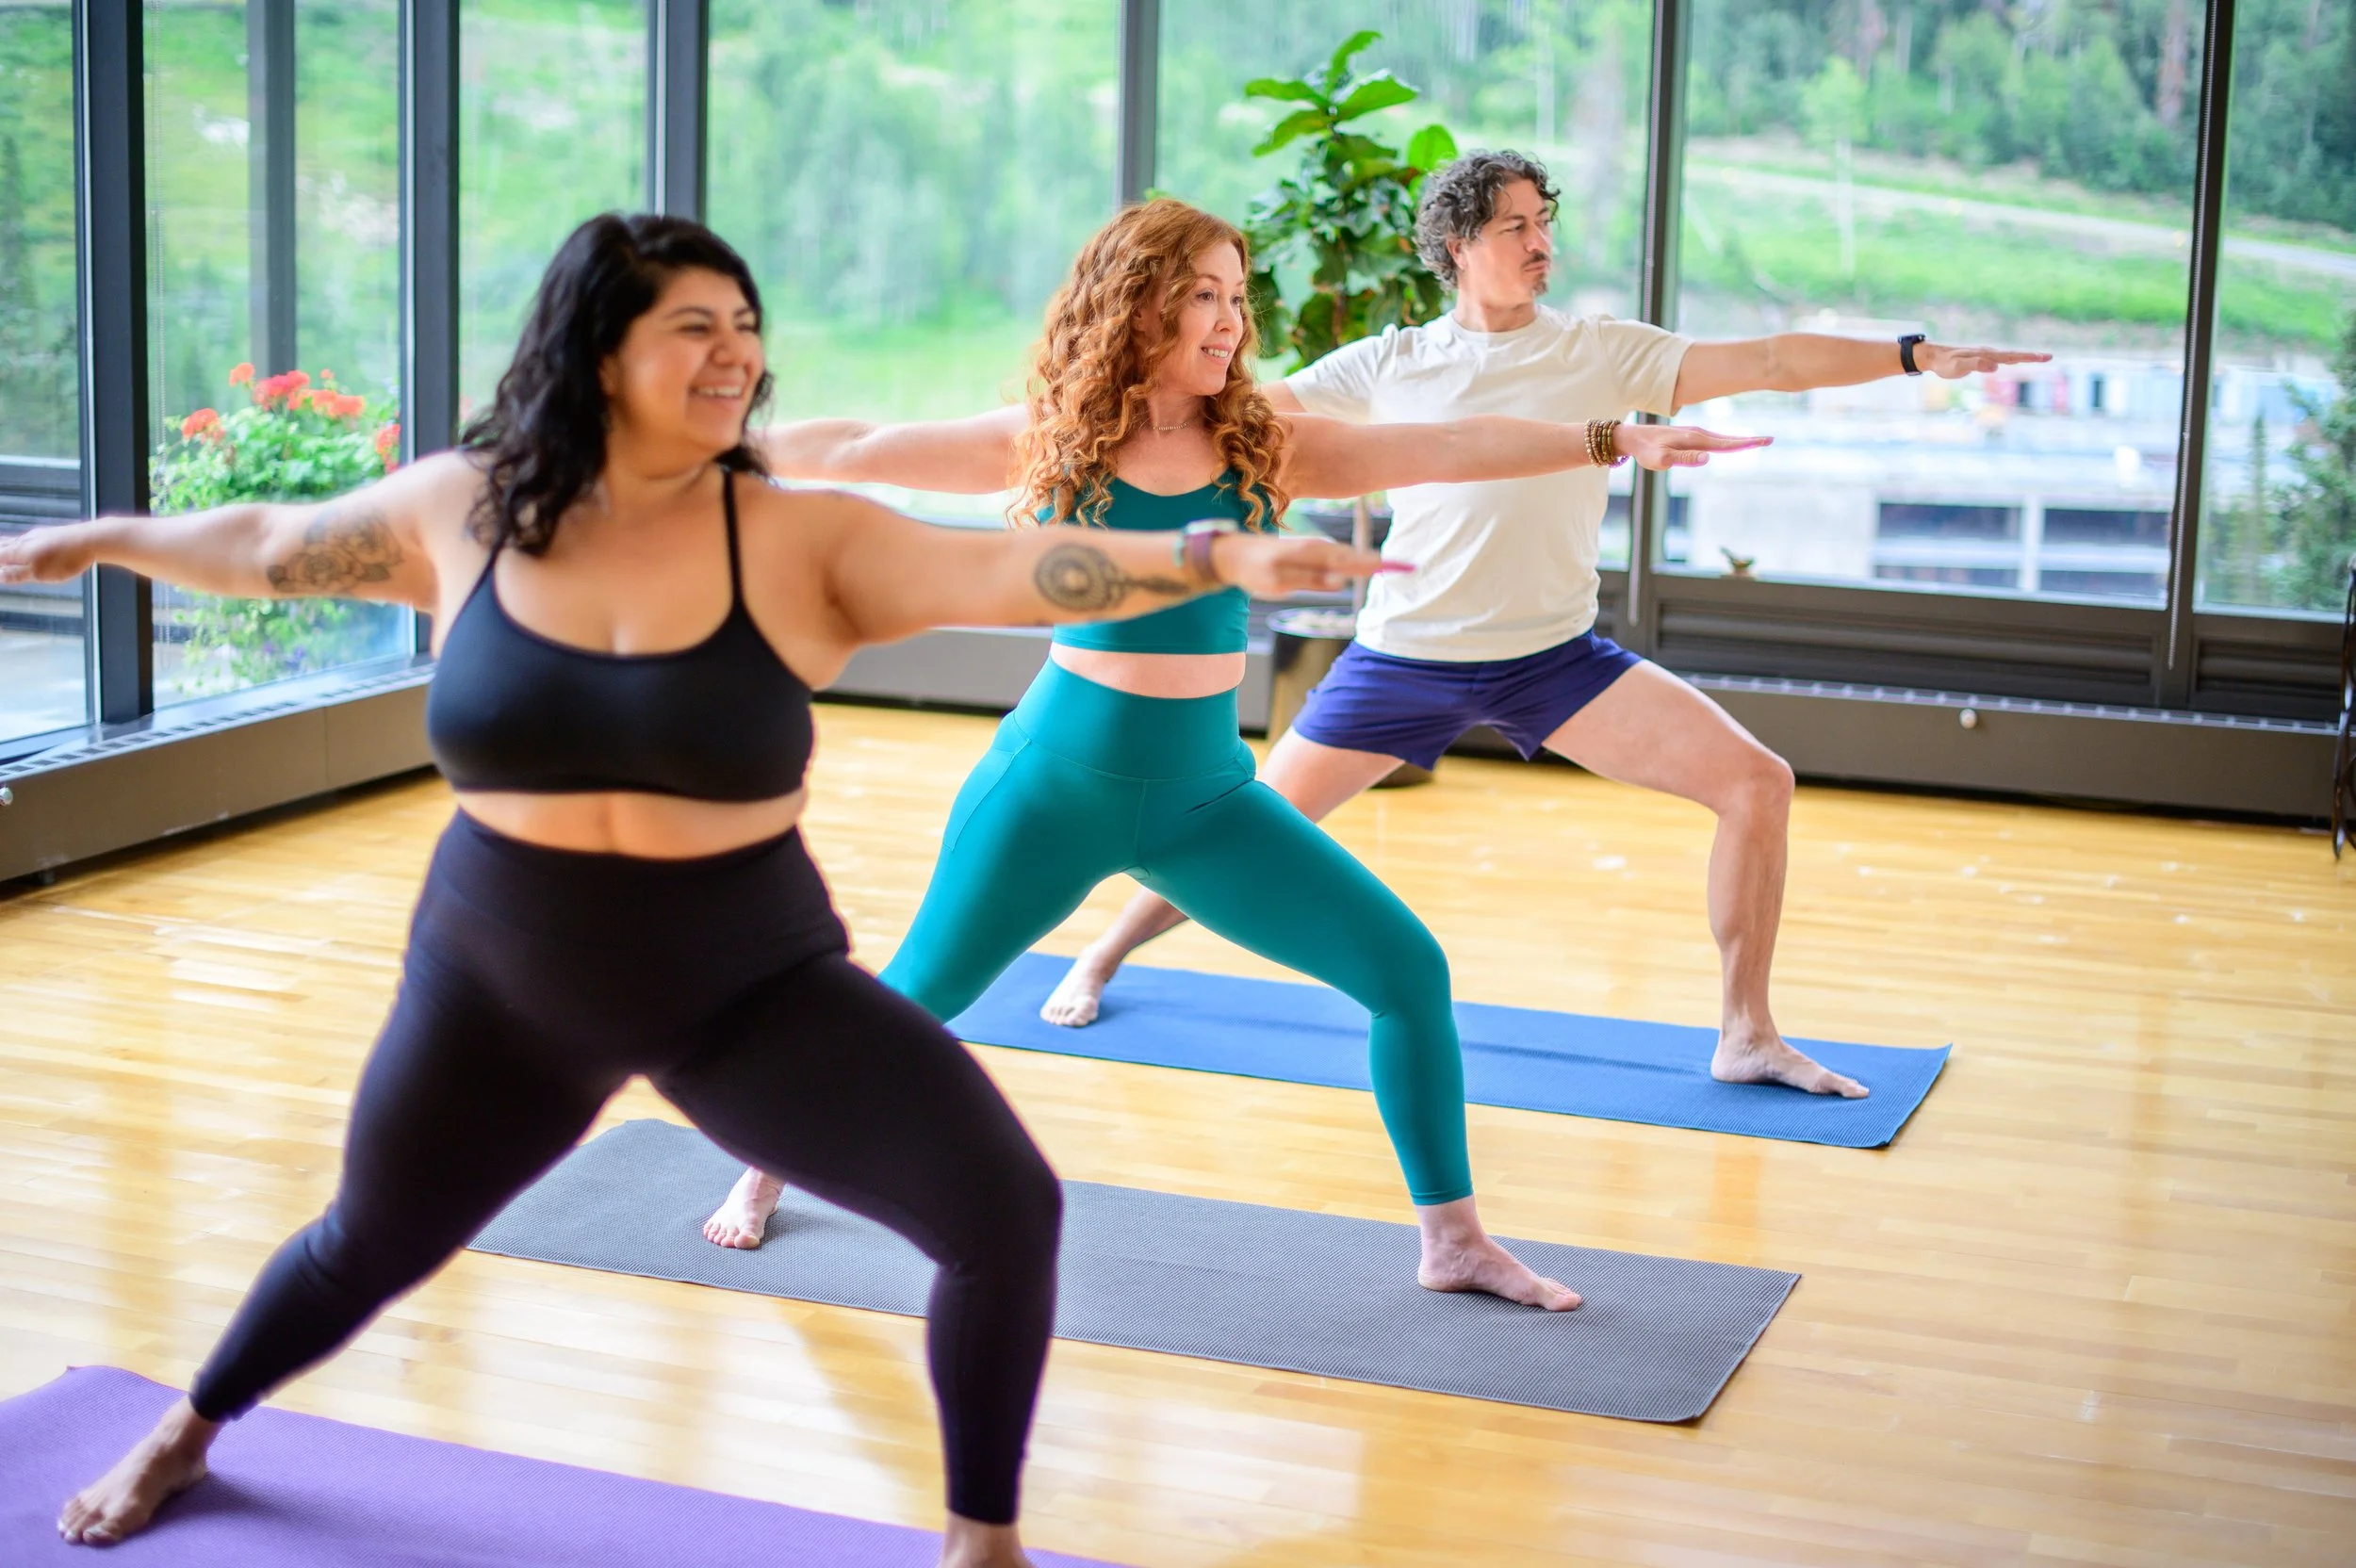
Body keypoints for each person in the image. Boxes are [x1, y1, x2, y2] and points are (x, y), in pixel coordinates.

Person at [8, 214, 1392, 1564]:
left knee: (1006, 1213)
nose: (735, 354)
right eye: (694, 328)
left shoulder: (794, 537)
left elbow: (1011, 569)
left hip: (742, 985)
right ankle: (189, 1428)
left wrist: (1210, 553)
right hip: (498, 983)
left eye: (746, 328)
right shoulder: (469, 508)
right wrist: (99, 543)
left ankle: (984, 1538)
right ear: (600, 350)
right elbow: (269, 546)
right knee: (366, 1240)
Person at [700, 198, 1767, 1316]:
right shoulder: (1058, 435)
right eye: (1205, 295)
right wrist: (697, 447)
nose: (1229, 321)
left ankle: (1452, 1239)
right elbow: (859, 450)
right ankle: (769, 1158)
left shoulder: (1262, 440)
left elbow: (1444, 443)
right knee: (916, 1002)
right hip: (1052, 791)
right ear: (1141, 303)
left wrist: (1605, 437)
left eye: (1238, 297)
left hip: (1204, 801)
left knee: (1408, 973)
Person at [1039, 153, 2053, 1092]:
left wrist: (1916, 354)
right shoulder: (1388, 363)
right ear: (1453, 250)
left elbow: (1775, 359)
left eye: (1543, 222)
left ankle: (1746, 1030)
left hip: (1551, 659)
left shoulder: (1601, 351)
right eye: (1513, 225)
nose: (1538, 242)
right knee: (1245, 825)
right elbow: (1240, 423)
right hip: (1403, 659)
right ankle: (1104, 949)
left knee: (1757, 782)